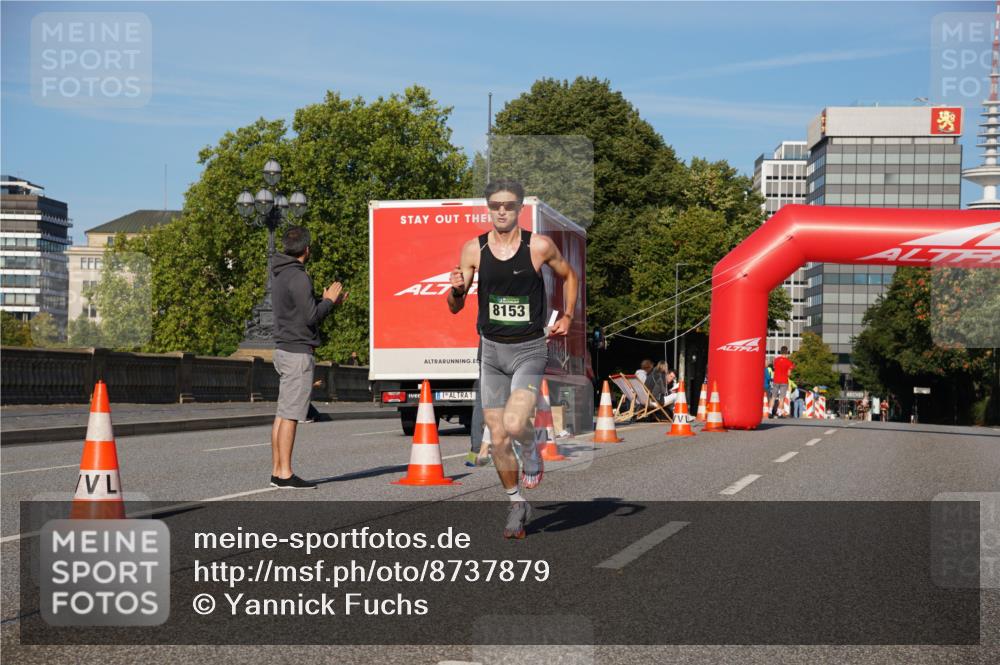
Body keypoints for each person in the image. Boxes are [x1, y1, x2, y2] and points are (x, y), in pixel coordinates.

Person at [448, 179, 579, 539]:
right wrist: (456, 290)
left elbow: (570, 276)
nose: (501, 211)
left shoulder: (538, 246)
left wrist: (567, 316)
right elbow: (456, 306)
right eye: (495, 206)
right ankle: (516, 501)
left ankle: (532, 449)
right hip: (490, 350)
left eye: (508, 205)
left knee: (515, 420)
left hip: (529, 349)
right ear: (488, 209)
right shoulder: (473, 250)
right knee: (498, 437)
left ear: (519, 209)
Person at [269, 226, 345, 489]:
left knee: (282, 413)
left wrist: (322, 301)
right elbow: (311, 316)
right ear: (306, 249)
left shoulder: (279, 273)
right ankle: (285, 473)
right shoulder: (299, 277)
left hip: (283, 348)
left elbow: (300, 307)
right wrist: (330, 302)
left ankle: (277, 470)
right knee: (291, 415)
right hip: (298, 352)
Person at [770, 347, 794, 418]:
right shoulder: (789, 362)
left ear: (780, 352)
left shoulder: (776, 360)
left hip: (776, 380)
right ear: (787, 352)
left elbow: (774, 368)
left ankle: (769, 412)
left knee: (773, 397)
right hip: (784, 381)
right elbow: (789, 374)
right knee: (782, 398)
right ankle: (779, 413)